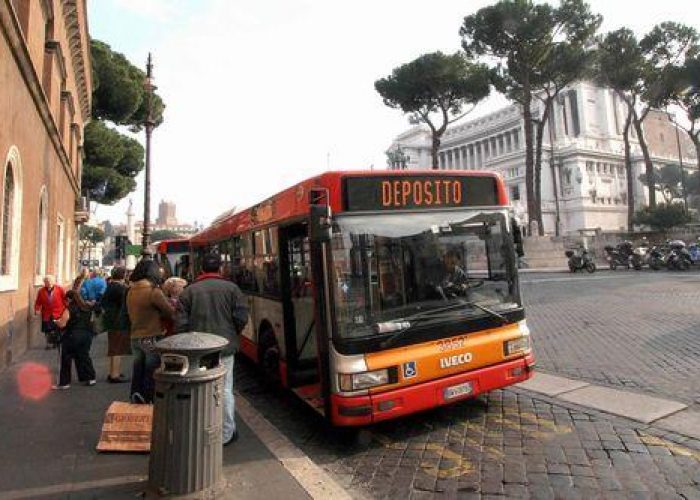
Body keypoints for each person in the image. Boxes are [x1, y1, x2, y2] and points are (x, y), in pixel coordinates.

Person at [176, 253, 248, 446]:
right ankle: (226, 431)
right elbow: (241, 317)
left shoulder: (188, 292)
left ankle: (204, 426)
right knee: (224, 389)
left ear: (201, 270)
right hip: (224, 348)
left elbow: (181, 324)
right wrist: (232, 333)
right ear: (220, 269)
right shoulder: (232, 289)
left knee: (201, 388)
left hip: (198, 350)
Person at [127, 259, 175, 403]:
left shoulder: (131, 291)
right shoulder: (153, 292)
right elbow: (170, 312)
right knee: (151, 371)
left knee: (138, 370)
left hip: (135, 336)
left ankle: (136, 396)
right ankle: (149, 400)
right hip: (151, 335)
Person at [53, 290, 97, 389]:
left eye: (66, 300)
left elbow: (62, 323)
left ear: (69, 299)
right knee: (84, 356)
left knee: (65, 358)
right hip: (87, 335)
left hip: (72, 335)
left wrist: (56, 322)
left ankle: (64, 382)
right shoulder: (87, 307)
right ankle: (90, 378)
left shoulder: (69, 309)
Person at [101, 267, 130, 383]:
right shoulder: (120, 288)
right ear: (123, 276)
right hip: (118, 322)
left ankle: (113, 372)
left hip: (111, 320)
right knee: (117, 349)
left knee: (114, 348)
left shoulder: (110, 286)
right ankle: (114, 375)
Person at [34, 275, 66, 349]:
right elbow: (38, 302)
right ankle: (48, 344)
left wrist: (66, 308)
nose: (48, 283)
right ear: (44, 283)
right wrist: (37, 309)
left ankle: (56, 342)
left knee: (57, 329)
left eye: (50, 281)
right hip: (46, 314)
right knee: (47, 330)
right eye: (46, 281)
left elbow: (64, 299)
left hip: (58, 313)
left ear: (53, 282)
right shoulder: (41, 291)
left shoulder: (59, 289)